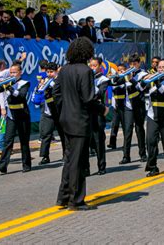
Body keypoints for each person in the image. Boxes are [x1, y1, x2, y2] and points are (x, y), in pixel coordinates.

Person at [54, 37, 95, 211]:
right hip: (80, 121)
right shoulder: (85, 71)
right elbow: (88, 98)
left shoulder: (64, 70)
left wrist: (64, 110)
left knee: (69, 160)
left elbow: (56, 93)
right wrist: (101, 108)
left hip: (65, 119)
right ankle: (76, 200)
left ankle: (63, 196)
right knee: (78, 161)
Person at [141, 58, 164, 176]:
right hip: (153, 113)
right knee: (150, 141)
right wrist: (143, 81)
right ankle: (152, 167)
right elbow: (140, 89)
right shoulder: (152, 78)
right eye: (160, 67)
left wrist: (157, 83)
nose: (161, 69)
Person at [0, 62, 31, 173]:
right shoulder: (7, 82)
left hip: (22, 114)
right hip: (11, 115)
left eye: (14, 72)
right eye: (10, 72)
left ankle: (26, 164)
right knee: (8, 140)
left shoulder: (24, 83)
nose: (12, 74)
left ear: (20, 72)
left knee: (24, 141)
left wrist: (10, 88)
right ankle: (2, 165)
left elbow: (21, 95)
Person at [116, 54, 148, 165]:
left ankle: (143, 154)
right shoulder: (126, 73)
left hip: (138, 106)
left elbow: (141, 88)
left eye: (135, 64)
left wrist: (132, 79)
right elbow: (116, 83)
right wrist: (116, 77)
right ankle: (126, 156)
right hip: (128, 106)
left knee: (139, 130)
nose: (133, 66)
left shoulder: (143, 74)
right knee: (127, 131)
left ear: (139, 63)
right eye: (131, 64)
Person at [34, 62, 66, 165]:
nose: (49, 74)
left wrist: (53, 85)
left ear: (56, 71)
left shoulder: (60, 80)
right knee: (46, 134)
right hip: (48, 111)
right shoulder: (45, 80)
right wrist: (40, 87)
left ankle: (66, 154)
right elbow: (37, 97)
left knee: (62, 134)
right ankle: (45, 156)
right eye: (47, 72)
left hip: (59, 111)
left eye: (51, 72)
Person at [89, 57, 110, 175]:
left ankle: (101, 166)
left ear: (99, 66)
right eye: (90, 65)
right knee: (87, 140)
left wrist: (90, 81)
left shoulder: (103, 79)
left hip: (98, 111)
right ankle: (85, 168)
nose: (92, 68)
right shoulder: (86, 77)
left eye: (94, 66)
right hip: (87, 112)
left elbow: (99, 93)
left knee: (98, 140)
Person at [108, 64, 127, 149]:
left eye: (121, 70)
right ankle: (112, 143)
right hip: (116, 106)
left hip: (123, 106)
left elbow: (120, 85)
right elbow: (112, 86)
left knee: (124, 126)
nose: (119, 72)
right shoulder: (115, 79)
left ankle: (126, 144)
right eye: (118, 70)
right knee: (114, 125)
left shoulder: (125, 80)